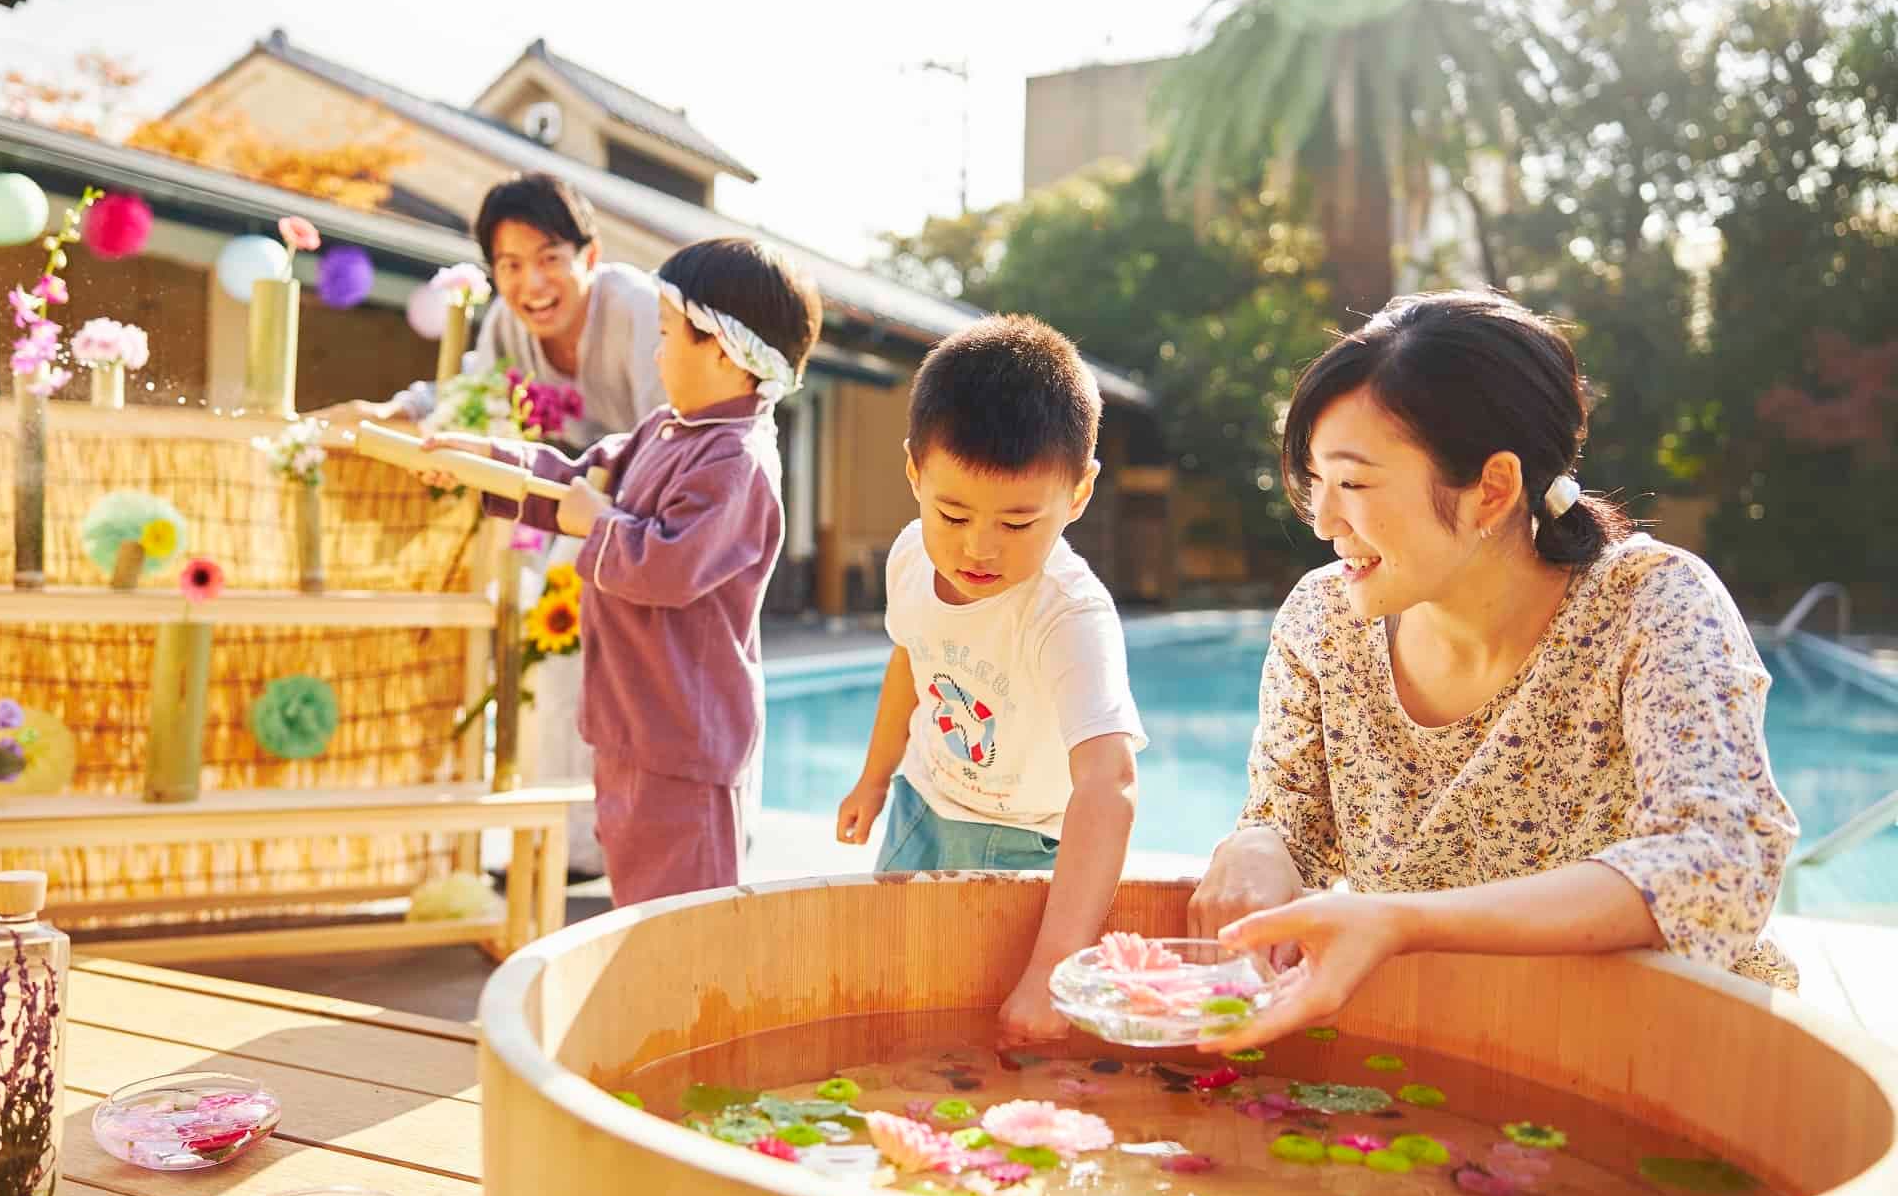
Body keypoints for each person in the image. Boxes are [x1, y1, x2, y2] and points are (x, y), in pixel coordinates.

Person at [1187, 290, 1800, 1055]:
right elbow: (1290, 824)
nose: (1322, 519)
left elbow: (1721, 861)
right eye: (1315, 480)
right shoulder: (1325, 620)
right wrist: (1260, 843)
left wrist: (1403, 921)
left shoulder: (1651, 606)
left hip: (1676, 1058)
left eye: (1355, 482)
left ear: (1494, 489)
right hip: (1459, 1051)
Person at [426, 237, 822, 906]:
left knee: (682, 916)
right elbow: (574, 479)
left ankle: (688, 1011)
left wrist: (596, 523)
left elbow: (666, 565)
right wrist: (480, 459)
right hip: (630, 725)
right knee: (636, 902)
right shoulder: (665, 431)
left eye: (667, 334)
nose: (657, 351)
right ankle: (648, 1007)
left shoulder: (737, 460)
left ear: (724, 352)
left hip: (686, 741)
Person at [334, 173, 665, 879]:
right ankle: (561, 832)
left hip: (658, 513)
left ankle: (603, 834)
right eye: (509, 265)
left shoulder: (639, 309)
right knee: (528, 632)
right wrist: (390, 413)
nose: (532, 282)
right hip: (570, 508)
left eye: (549, 258)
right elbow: (465, 396)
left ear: (590, 254)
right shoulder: (506, 325)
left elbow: (668, 441)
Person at [834, 316, 1147, 1043]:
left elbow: (1110, 782)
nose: (977, 547)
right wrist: (876, 778)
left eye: (1017, 522)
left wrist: (1053, 970)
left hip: (1023, 847)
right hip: (922, 807)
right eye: (952, 511)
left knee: (991, 1027)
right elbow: (911, 658)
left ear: (1077, 495)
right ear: (915, 473)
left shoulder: (1068, 614)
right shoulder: (913, 556)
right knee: (895, 999)